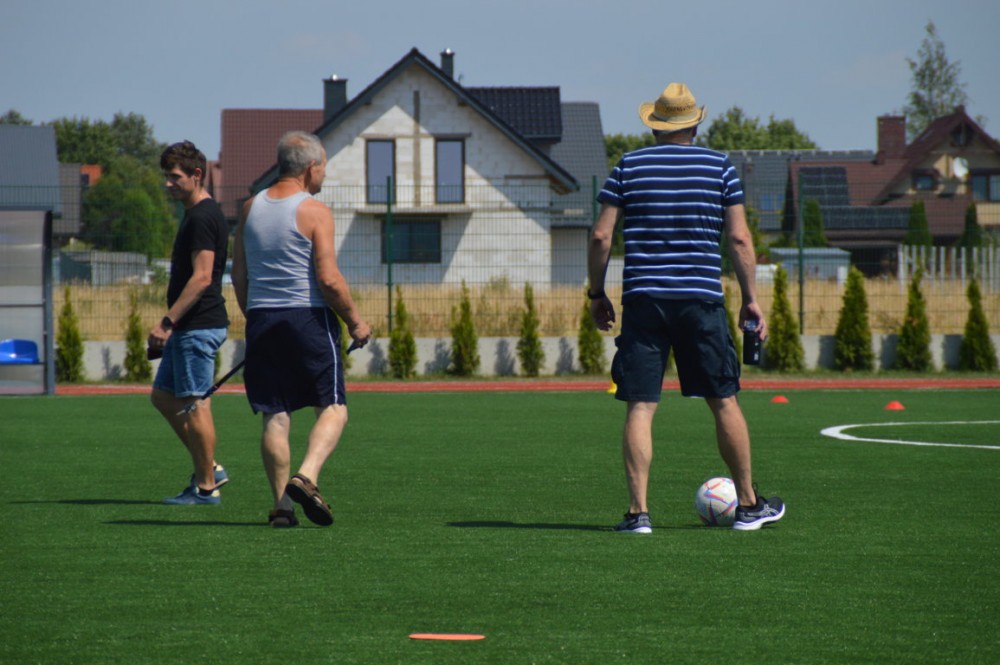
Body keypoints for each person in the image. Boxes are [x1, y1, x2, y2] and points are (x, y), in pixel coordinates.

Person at [587, 83, 785, 533]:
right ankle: (748, 506)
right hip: (701, 300)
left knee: (640, 406)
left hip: (644, 301)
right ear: (695, 124)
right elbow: (739, 239)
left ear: (655, 126)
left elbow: (600, 236)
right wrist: (751, 299)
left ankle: (638, 514)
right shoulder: (720, 167)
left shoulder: (628, 166)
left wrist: (596, 293)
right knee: (723, 400)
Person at [231, 131, 371, 528]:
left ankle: (281, 508)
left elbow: (239, 275)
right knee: (333, 406)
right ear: (311, 167)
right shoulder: (314, 211)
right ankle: (306, 476)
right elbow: (328, 279)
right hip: (308, 318)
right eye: (323, 166)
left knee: (274, 414)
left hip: (262, 317)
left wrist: (255, 316)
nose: (324, 173)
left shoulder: (249, 209)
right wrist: (356, 322)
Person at [149, 141, 230, 505]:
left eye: (175, 177)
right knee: (164, 397)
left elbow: (202, 278)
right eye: (167, 176)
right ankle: (209, 467)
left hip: (197, 326)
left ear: (197, 175)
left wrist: (167, 322)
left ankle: (206, 487)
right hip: (189, 327)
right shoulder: (197, 214)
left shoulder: (201, 217)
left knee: (195, 403)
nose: (168, 183)